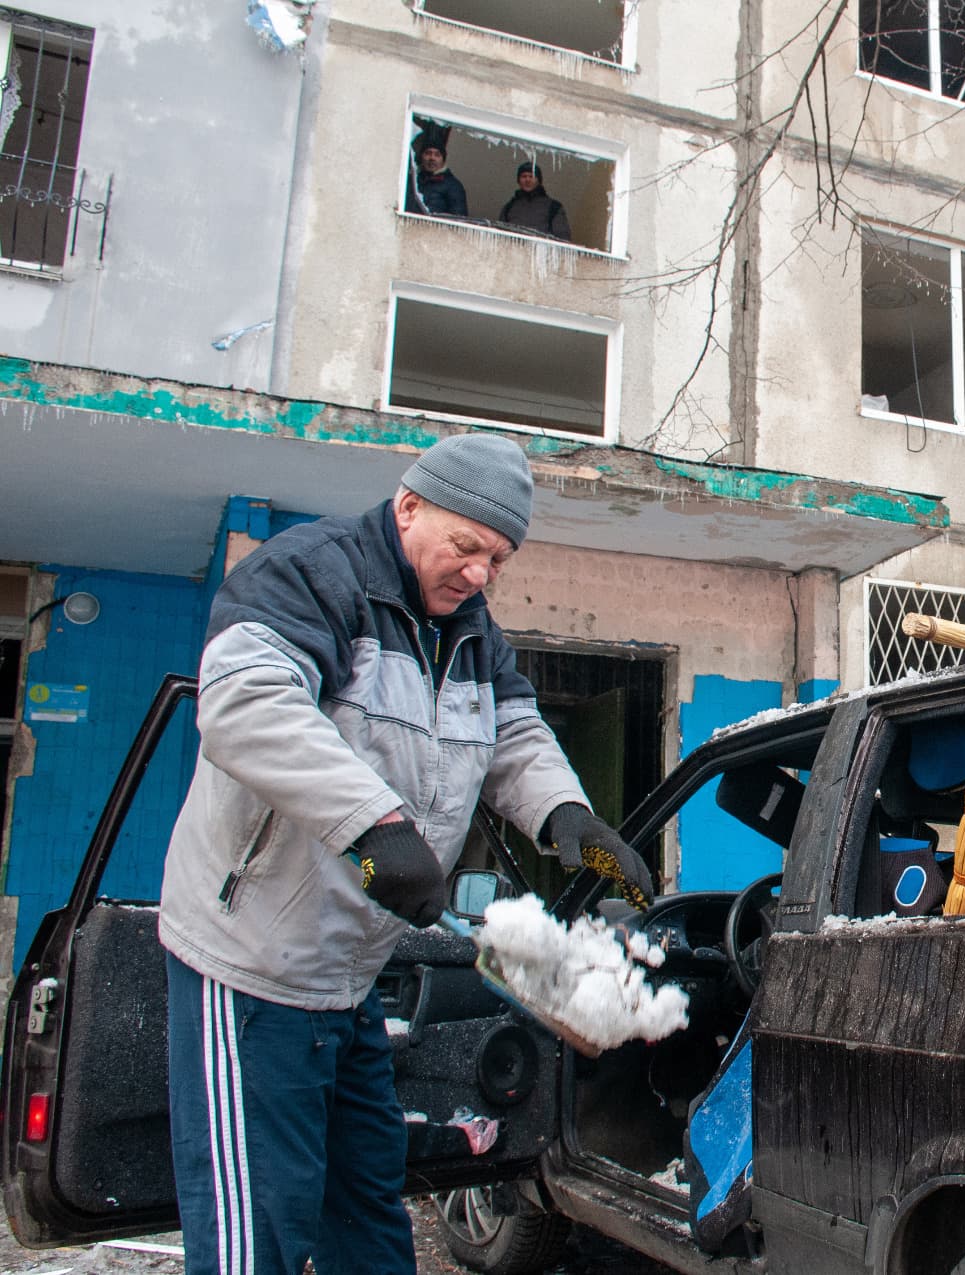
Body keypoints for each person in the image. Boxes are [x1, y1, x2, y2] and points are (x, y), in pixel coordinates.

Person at [158, 433, 652, 1275]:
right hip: (250, 970)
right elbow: (245, 703)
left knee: (368, 1218)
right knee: (257, 1235)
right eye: (467, 547)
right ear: (410, 505)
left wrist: (568, 817)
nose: (480, 573)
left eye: (498, 557)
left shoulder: (470, 629)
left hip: (348, 978)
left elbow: (513, 735)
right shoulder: (315, 573)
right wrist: (374, 826)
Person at [498, 161, 571, 242]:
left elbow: (563, 238)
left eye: (531, 176)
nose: (527, 180)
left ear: (538, 180)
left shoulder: (554, 207)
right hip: (514, 252)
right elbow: (500, 236)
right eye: (524, 176)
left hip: (541, 252)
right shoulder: (509, 207)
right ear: (519, 180)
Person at [406, 139, 468, 218]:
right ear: (421, 157)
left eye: (437, 155)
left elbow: (459, 218)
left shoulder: (453, 186)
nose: (432, 158)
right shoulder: (412, 179)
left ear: (443, 160)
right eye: (428, 153)